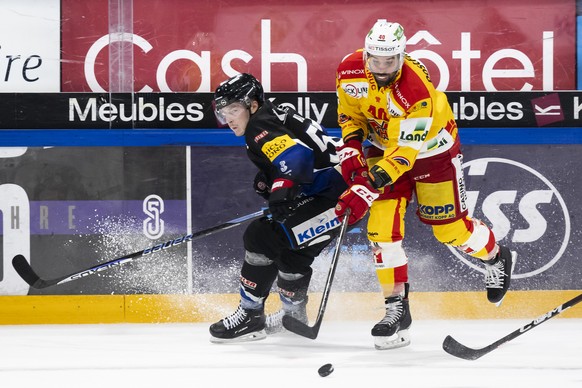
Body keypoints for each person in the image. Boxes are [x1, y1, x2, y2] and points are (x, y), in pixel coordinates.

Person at [334, 19, 517, 350]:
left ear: (401, 56)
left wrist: (365, 187)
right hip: (381, 147)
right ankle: (396, 310)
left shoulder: (416, 90)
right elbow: (350, 116)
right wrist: (351, 153)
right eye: (376, 60)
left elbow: (405, 153)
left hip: (432, 153)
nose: (382, 67)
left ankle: (496, 257)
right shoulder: (349, 70)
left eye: (389, 61)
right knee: (380, 231)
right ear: (367, 56)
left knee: (450, 231)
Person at [209, 73, 348, 342]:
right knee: (292, 254)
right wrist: (271, 181)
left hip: (339, 200)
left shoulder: (259, 125)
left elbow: (297, 157)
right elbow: (301, 152)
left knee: (261, 236)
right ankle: (293, 318)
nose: (229, 119)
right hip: (338, 190)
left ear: (252, 104)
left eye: (234, 110)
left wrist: (281, 192)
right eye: (224, 112)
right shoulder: (272, 113)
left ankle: (250, 315)